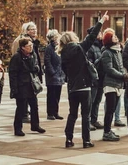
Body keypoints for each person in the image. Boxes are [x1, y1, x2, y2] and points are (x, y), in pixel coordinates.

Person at [60, 12, 109, 148]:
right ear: (72, 38)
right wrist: (101, 21)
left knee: (72, 114)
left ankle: (68, 139)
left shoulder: (63, 53)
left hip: (72, 87)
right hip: (85, 86)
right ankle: (86, 141)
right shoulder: (79, 49)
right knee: (86, 115)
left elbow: (64, 71)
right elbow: (92, 36)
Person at [100, 28, 128, 141]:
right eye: (113, 36)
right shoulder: (107, 52)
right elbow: (109, 69)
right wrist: (123, 75)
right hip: (110, 84)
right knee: (110, 109)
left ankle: (108, 130)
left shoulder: (118, 51)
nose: (116, 37)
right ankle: (106, 132)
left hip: (118, 84)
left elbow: (120, 67)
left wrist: (124, 75)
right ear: (109, 40)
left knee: (113, 108)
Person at [9, 37, 46, 136]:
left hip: (31, 85)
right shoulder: (17, 57)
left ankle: (35, 125)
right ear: (22, 47)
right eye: (28, 46)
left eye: (31, 45)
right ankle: (18, 128)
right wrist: (14, 88)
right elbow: (12, 73)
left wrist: (36, 69)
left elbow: (36, 67)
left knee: (34, 106)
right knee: (21, 108)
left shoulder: (32, 55)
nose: (31, 47)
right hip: (21, 85)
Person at [44, 29, 65, 120]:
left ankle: (56, 112)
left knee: (57, 95)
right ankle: (50, 113)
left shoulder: (59, 47)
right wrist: (52, 72)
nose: (58, 38)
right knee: (51, 95)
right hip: (52, 76)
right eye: (56, 37)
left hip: (59, 74)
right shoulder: (49, 48)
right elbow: (47, 61)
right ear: (52, 38)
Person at [86, 27, 104, 131]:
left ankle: (94, 119)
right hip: (93, 78)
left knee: (97, 100)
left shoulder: (101, 45)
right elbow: (89, 63)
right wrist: (100, 60)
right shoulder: (90, 47)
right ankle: (87, 121)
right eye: (98, 32)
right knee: (91, 101)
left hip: (101, 77)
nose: (100, 34)